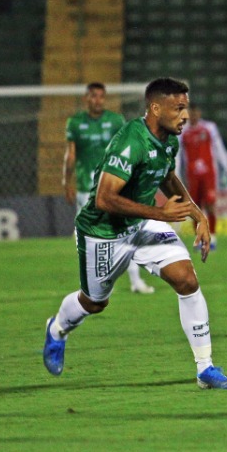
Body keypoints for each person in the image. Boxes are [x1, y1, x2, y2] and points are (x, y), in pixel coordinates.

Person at [42, 77, 227, 390]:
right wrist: (162, 213)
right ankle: (58, 329)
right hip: (103, 231)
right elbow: (105, 199)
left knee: (187, 280)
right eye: (178, 108)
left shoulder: (170, 138)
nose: (185, 115)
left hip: (141, 223)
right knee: (94, 303)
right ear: (155, 108)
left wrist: (197, 214)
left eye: (185, 107)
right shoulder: (130, 141)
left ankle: (205, 368)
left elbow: (166, 175)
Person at [63, 82, 156, 294]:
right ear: (86, 98)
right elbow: (71, 156)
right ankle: (94, 283)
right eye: (93, 96)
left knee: (127, 231)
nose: (97, 100)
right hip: (86, 189)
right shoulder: (75, 123)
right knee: (91, 237)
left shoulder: (116, 121)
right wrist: (65, 181)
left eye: (101, 96)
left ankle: (135, 280)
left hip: (114, 187)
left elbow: (128, 150)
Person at [176, 103, 227, 250]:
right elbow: (178, 155)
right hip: (192, 176)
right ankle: (199, 238)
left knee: (211, 205)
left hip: (209, 174)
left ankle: (212, 237)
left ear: (199, 113)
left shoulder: (209, 128)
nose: (193, 115)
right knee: (195, 208)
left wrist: (225, 167)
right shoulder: (182, 131)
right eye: (190, 113)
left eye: (195, 112)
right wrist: (177, 175)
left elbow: (219, 147)